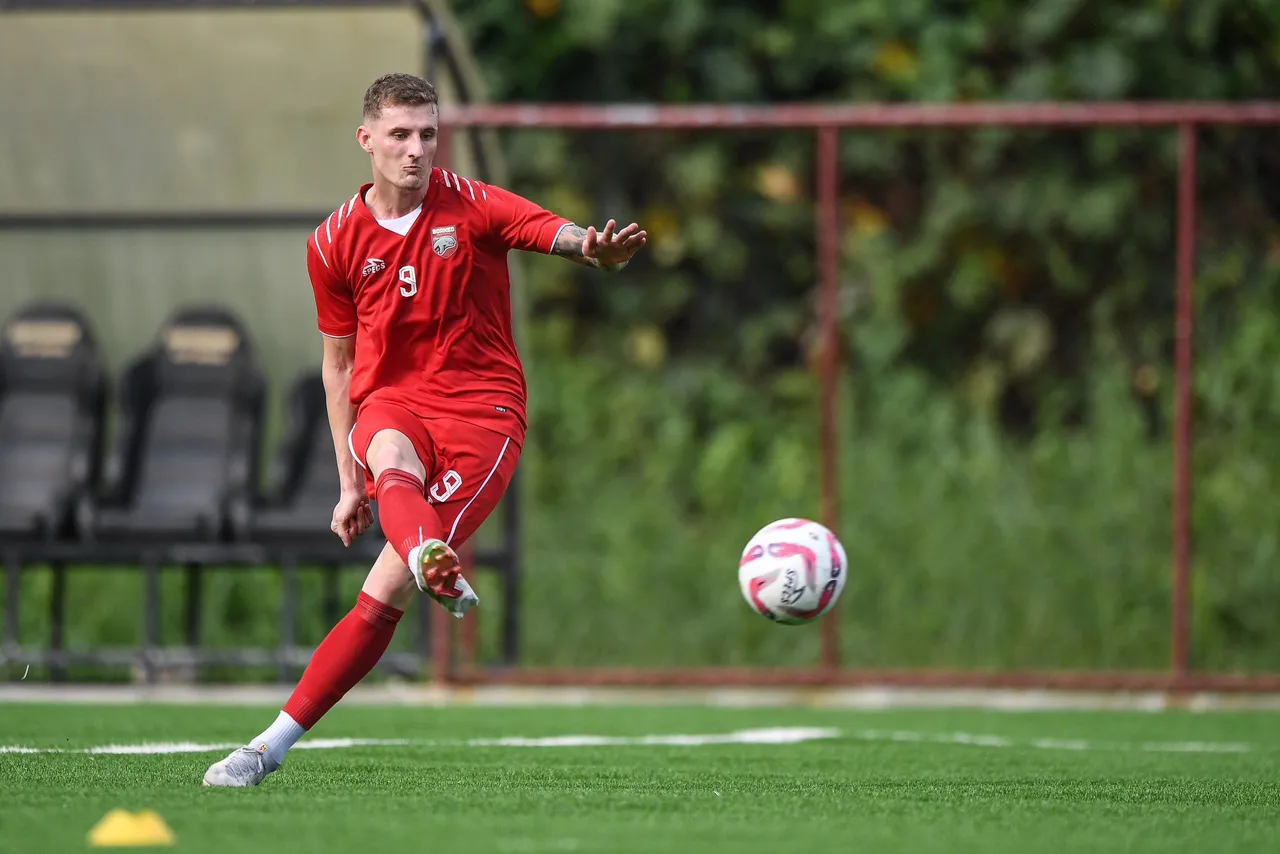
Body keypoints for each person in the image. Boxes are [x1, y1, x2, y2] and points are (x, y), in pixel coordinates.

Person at [203, 72, 646, 787]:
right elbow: (339, 367)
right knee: (387, 449)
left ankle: (268, 747)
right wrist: (349, 483)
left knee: (382, 595)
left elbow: (548, 229)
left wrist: (590, 249)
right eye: (401, 135)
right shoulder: (333, 243)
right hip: (395, 403)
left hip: (482, 412)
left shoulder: (471, 205)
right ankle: (427, 557)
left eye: (428, 134)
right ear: (367, 139)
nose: (416, 150)